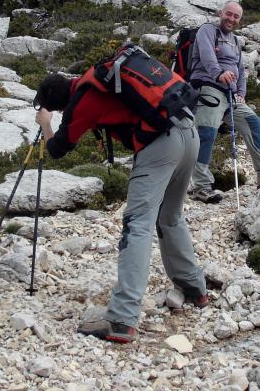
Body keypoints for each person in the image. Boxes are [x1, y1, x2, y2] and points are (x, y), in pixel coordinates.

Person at [34, 73, 208, 344]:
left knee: (137, 224)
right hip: (188, 131)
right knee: (170, 216)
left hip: (161, 144)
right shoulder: (105, 78)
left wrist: (46, 124)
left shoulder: (84, 99)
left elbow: (58, 148)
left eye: (58, 109)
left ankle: (122, 319)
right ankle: (195, 288)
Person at [187, 0, 260, 203]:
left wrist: (241, 92)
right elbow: (207, 56)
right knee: (206, 131)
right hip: (208, 86)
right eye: (229, 14)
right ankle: (200, 187)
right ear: (221, 13)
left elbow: (240, 69)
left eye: (236, 16)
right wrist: (218, 73)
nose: (231, 19)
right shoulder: (208, 30)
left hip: (231, 94)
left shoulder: (236, 40)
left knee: (254, 123)